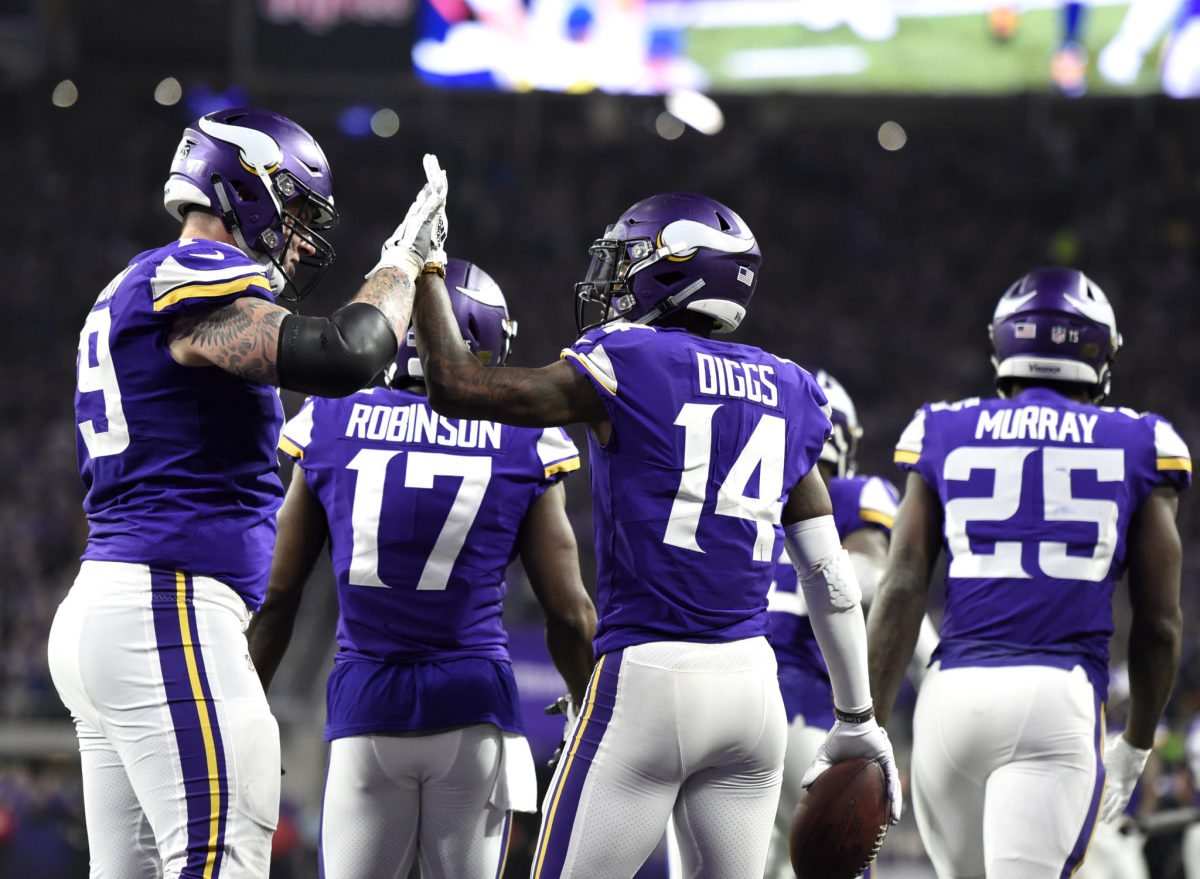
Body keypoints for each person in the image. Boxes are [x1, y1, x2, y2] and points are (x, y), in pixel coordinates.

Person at [412, 166, 900, 879]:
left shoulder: (628, 359)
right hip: (751, 689)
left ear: (674, 269)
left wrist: (423, 265)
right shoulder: (790, 385)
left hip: (647, 676)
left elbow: (454, 386)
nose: (610, 278)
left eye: (626, 260)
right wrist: (859, 719)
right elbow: (829, 579)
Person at [48, 108, 446, 878]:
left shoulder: (130, 286)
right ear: (246, 190)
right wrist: (402, 261)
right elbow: (342, 352)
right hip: (165, 609)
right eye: (295, 211)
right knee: (222, 855)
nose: (302, 238)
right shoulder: (193, 272)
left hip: (122, 606)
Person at [245, 257, 598, 879]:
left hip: (365, 704)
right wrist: (584, 703)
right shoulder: (524, 438)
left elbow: (276, 593)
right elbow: (568, 612)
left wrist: (246, 711)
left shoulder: (330, 418)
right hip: (472, 703)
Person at [867, 267, 1190, 879]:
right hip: (1055, 695)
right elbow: (1161, 622)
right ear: (1099, 352)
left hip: (950, 699)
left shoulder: (942, 426)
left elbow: (904, 583)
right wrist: (1137, 744)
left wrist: (863, 722)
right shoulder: (1142, 440)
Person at [757, 369, 938, 879]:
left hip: (732, 698)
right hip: (805, 715)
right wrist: (934, 668)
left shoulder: (743, 499)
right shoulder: (855, 493)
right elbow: (876, 579)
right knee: (840, 862)